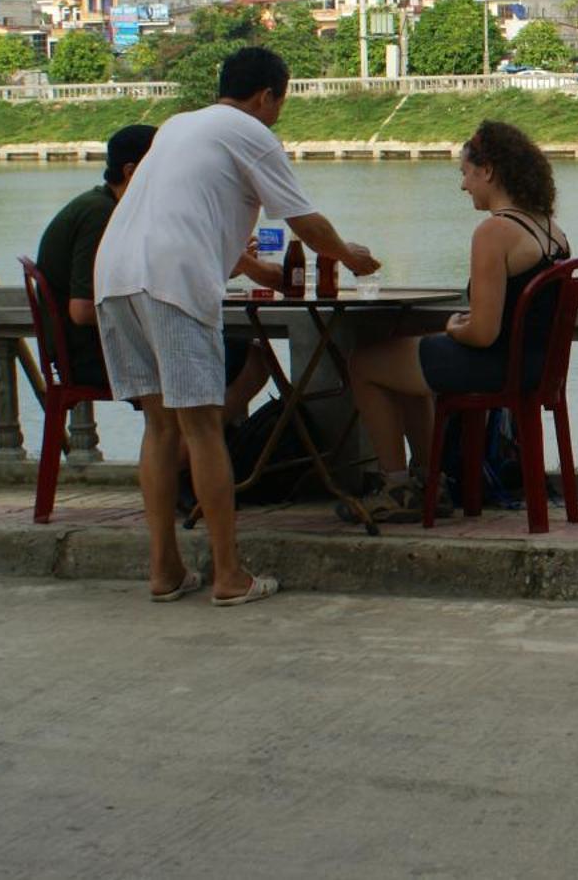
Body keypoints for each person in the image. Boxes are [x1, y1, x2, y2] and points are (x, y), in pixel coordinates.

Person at [94, 47, 380, 605]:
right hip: (170, 277)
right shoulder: (251, 132)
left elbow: (193, 214)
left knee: (159, 427)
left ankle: (165, 570)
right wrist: (349, 255)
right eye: (281, 100)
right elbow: (304, 220)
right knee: (201, 428)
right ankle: (228, 575)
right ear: (266, 95)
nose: (278, 113)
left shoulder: (179, 126)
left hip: (115, 272)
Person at [344, 119, 571, 524]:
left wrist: (453, 326)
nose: (464, 185)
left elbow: (483, 333)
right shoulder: (551, 230)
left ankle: (397, 485)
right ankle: (432, 482)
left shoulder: (494, 232)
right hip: (536, 365)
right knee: (406, 360)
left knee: (363, 364)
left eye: (465, 173)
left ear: (488, 171)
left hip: (496, 366)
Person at [36, 123, 282, 422]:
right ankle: (191, 451)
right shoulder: (101, 215)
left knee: (241, 352)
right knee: (252, 360)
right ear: (131, 172)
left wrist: (225, 264)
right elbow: (83, 310)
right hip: (96, 355)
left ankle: (200, 448)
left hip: (98, 348)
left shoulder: (107, 209)